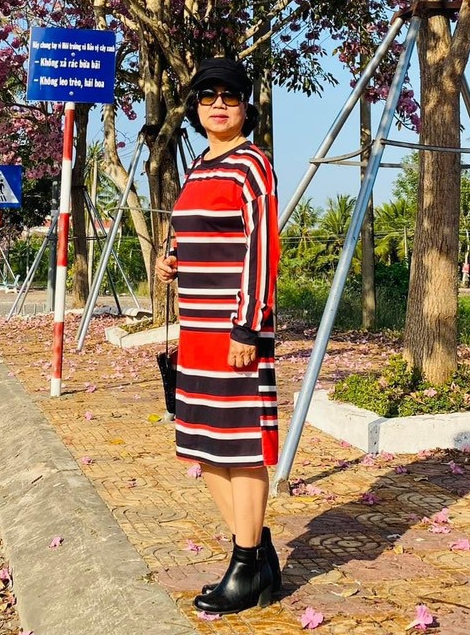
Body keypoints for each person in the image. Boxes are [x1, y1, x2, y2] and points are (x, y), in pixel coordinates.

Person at [156, 57, 282, 614]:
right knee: (204, 448)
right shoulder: (199, 167)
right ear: (196, 109)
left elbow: (261, 249)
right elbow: (196, 230)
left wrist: (249, 327)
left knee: (242, 447)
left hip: (236, 330)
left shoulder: (253, 165)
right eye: (207, 98)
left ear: (245, 107)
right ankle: (259, 553)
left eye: (229, 97)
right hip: (197, 329)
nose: (218, 106)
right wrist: (172, 259)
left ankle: (245, 567)